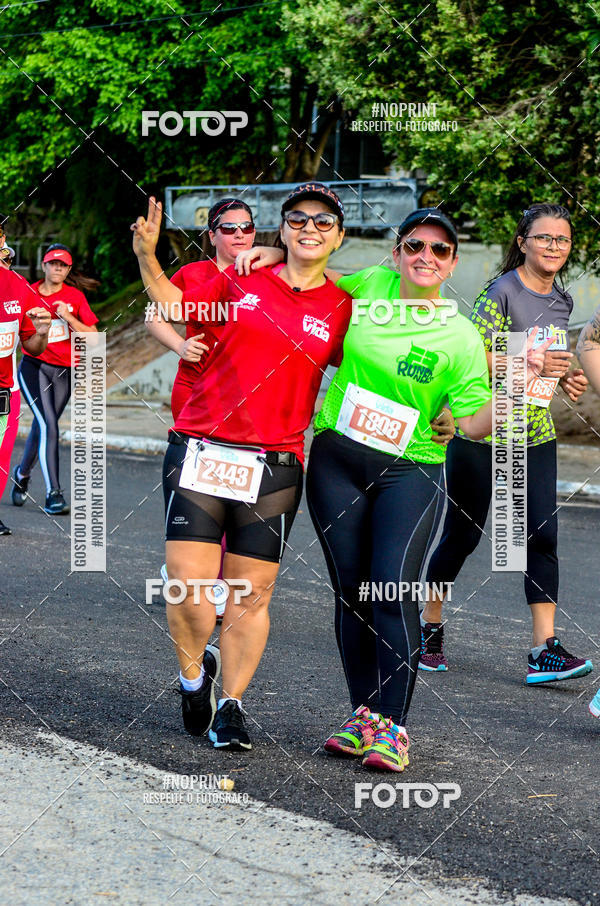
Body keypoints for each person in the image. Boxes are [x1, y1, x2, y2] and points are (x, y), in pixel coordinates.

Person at [238, 208, 550, 770]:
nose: (425, 257)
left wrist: (511, 395)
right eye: (415, 246)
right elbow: (313, 274)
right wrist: (277, 253)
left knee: (391, 589)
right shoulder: (368, 285)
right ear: (397, 252)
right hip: (337, 461)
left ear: (452, 262)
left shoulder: (457, 332)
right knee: (352, 592)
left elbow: (476, 417)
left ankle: (393, 726)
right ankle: (363, 714)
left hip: (412, 470)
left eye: (439, 250)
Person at [132, 183, 354, 751]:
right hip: (202, 448)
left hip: (275, 463)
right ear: (282, 228)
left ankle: (231, 704)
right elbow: (174, 307)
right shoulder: (238, 277)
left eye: (323, 221)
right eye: (297, 219)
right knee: (188, 590)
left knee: (250, 596)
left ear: (340, 234)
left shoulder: (345, 303)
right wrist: (146, 254)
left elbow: (381, 358)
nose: (310, 229)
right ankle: (190, 677)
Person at [422, 204, 591, 684]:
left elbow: (545, 362)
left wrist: (565, 379)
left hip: (533, 431)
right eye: (544, 238)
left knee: (543, 534)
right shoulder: (502, 291)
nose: (554, 247)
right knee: (464, 533)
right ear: (523, 241)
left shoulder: (561, 301)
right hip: (482, 429)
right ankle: (429, 627)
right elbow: (471, 358)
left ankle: (543, 647)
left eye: (562, 240)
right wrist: (530, 361)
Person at [146, 198, 256, 620]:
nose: (240, 235)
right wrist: (180, 344)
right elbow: (155, 317)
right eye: (229, 228)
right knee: (196, 482)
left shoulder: (265, 274)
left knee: (238, 486)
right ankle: (194, 570)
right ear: (212, 235)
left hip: (246, 396)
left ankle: (223, 578)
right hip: (194, 390)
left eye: (246, 227)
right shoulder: (193, 274)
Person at [11, 244, 99, 515]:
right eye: (53, 264)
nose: (57, 269)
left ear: (68, 270)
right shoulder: (28, 292)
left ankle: (22, 473)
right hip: (34, 366)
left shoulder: (75, 297)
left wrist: (68, 316)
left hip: (64, 371)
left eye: (63, 265)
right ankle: (54, 494)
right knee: (49, 423)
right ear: (45, 265)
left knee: (44, 425)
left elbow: (94, 338)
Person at [0, 242, 51, 460]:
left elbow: (32, 346)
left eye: (7, 260)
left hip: (6, 396)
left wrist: (41, 333)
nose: (4, 265)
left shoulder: (19, 286)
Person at [0, 240, 20, 535]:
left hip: (7, 389)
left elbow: (32, 340)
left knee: (2, 455)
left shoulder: (16, 286)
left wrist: (40, 329)